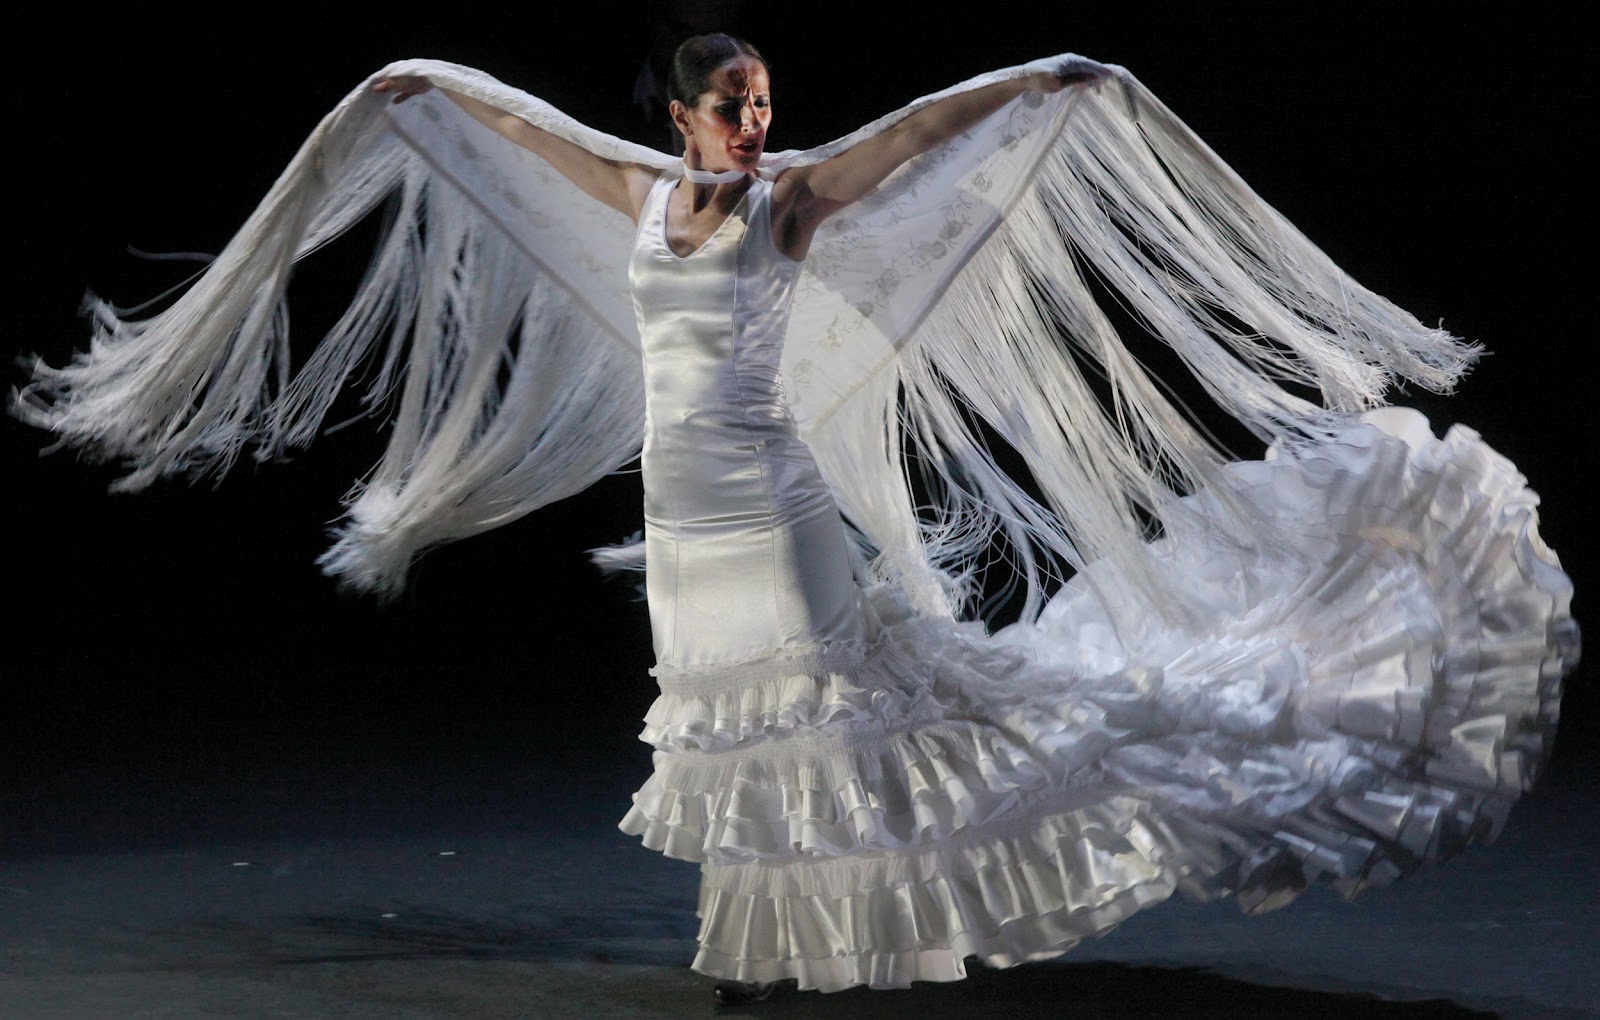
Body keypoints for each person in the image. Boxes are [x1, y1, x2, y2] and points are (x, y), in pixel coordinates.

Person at [16, 33, 1577, 1004]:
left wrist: (1035, 81)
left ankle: (810, 948)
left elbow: (913, 138)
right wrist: (423, 83)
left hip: (773, 504)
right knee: (730, 737)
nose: (762, 124)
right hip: (684, 524)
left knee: (849, 721)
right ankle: (766, 950)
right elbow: (520, 135)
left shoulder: (795, 201)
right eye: (739, 107)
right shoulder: (639, 194)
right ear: (688, 115)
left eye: (769, 105)